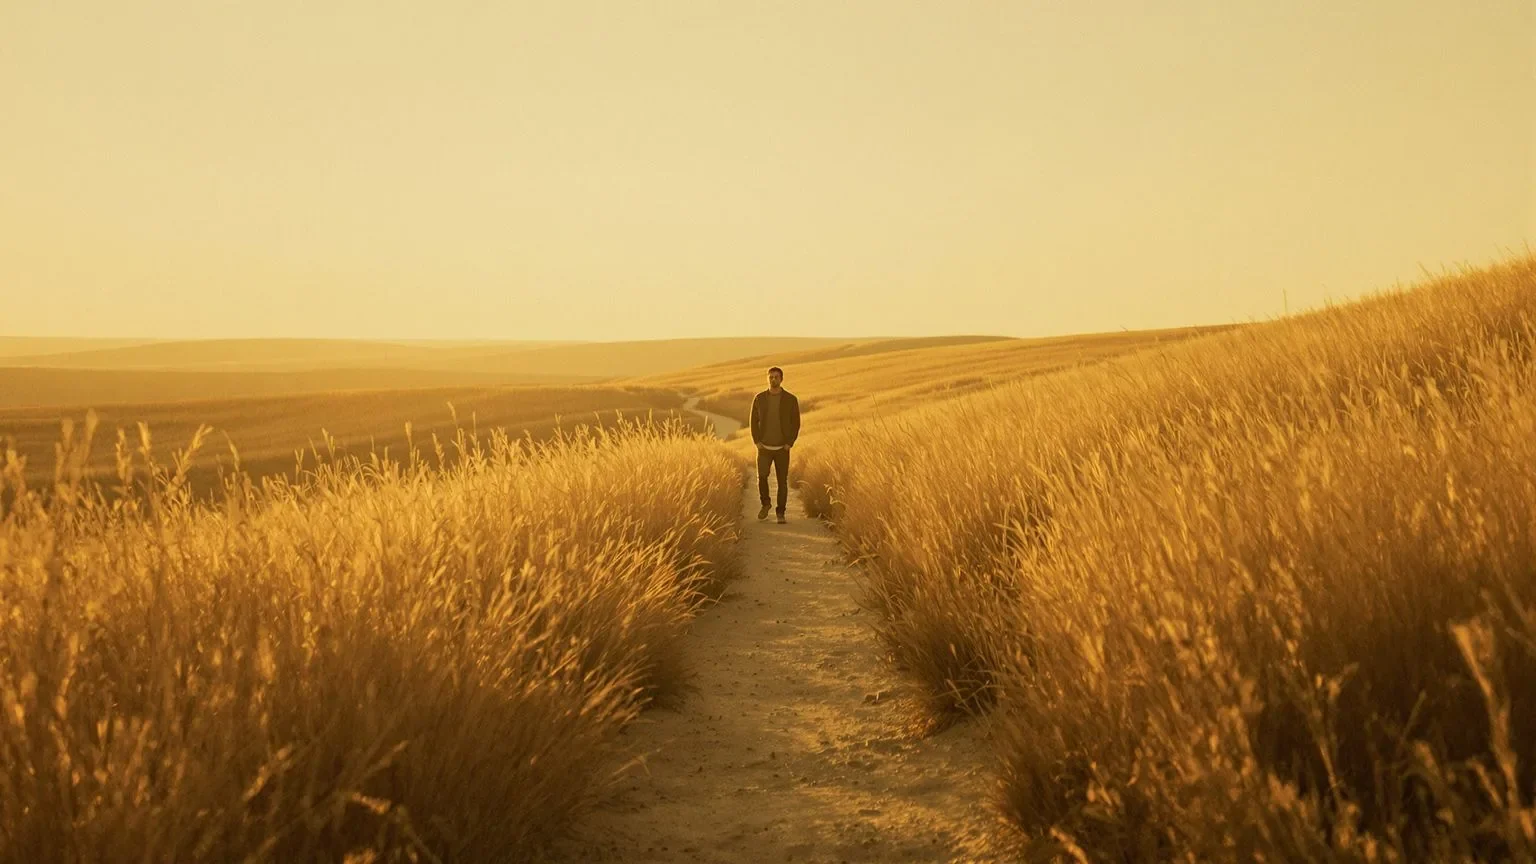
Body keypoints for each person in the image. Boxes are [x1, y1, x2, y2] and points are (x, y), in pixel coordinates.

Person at [749, 366, 801, 523]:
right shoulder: (759, 398)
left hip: (782, 449)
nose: (773, 379)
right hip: (764, 447)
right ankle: (766, 504)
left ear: (781, 379)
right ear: (767, 378)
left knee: (782, 481)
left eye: (776, 377)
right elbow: (753, 421)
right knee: (762, 478)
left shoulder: (791, 399)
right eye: (770, 377)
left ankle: (781, 513)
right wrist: (757, 442)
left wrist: (789, 443)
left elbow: (796, 423)